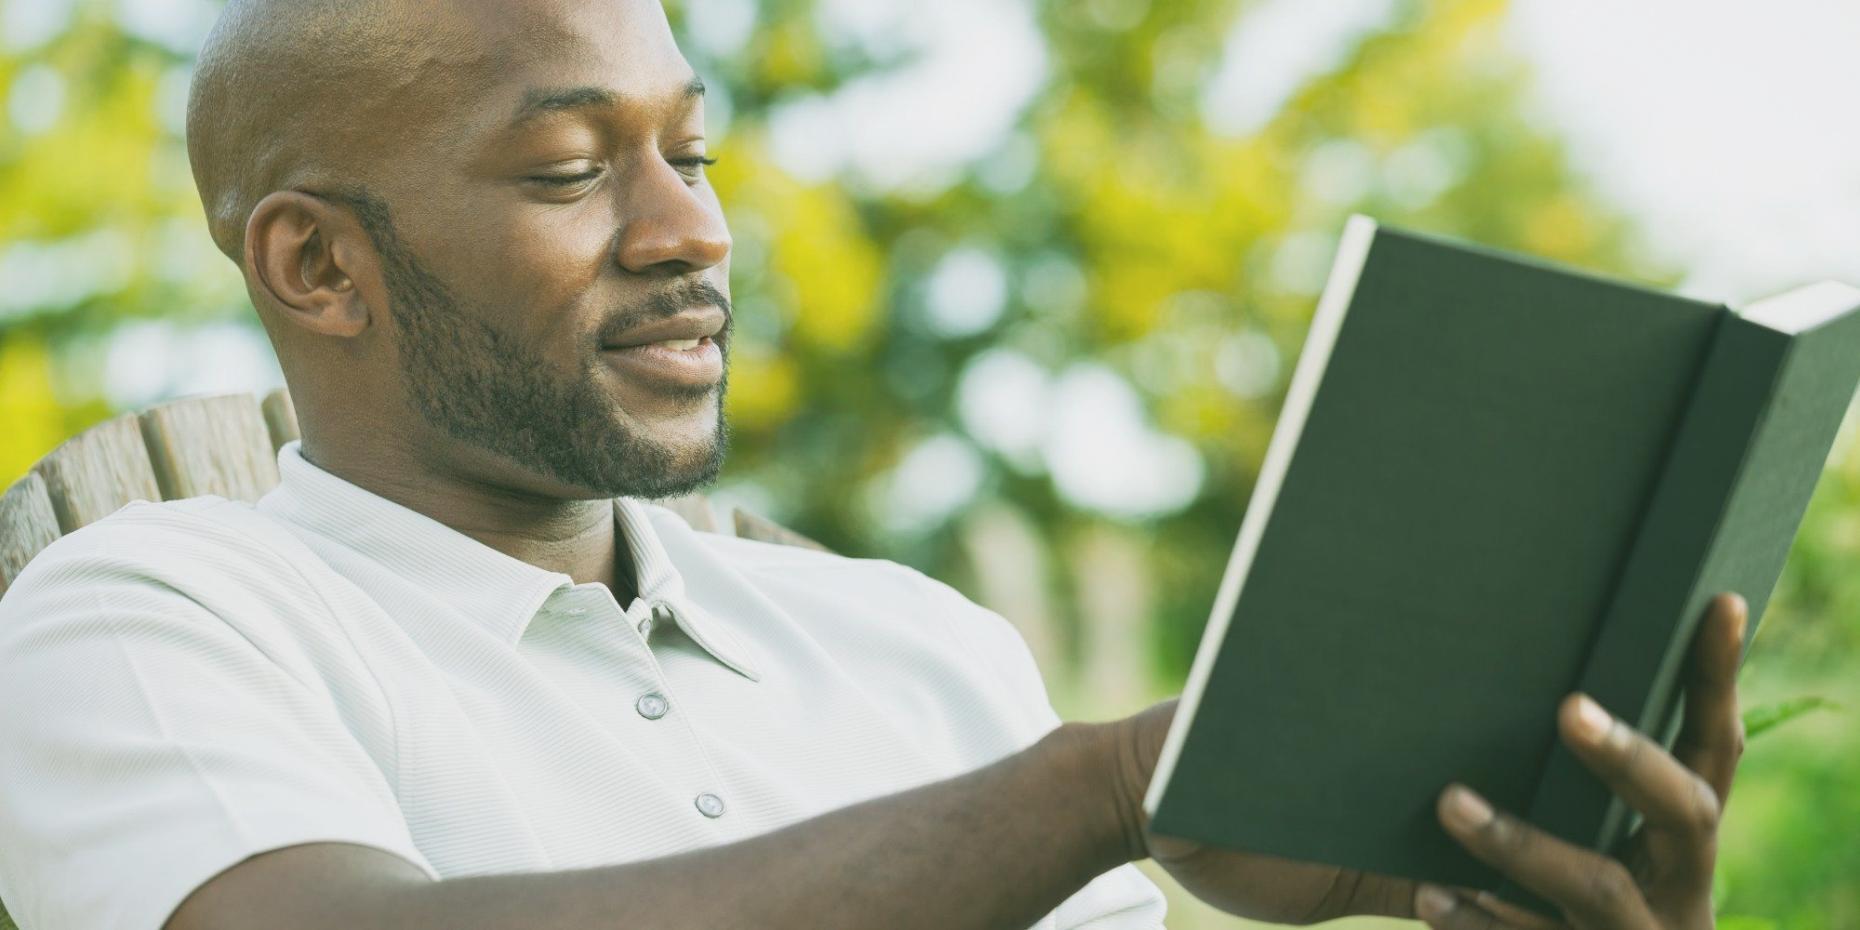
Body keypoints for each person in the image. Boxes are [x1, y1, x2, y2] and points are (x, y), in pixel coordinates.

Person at [0, 1, 1749, 928]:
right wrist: (1100, 787)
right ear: (319, 266)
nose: (691, 230)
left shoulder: (920, 646)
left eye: (690, 149)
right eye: (567, 171)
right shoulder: (150, 619)